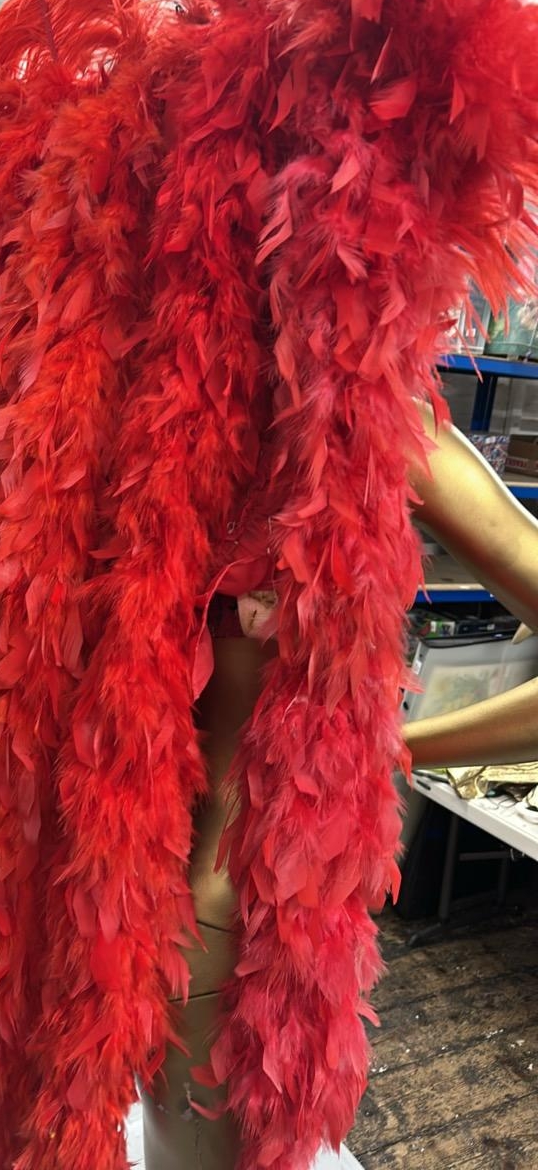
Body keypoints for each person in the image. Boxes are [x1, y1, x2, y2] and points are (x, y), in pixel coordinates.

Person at [142, 402, 538, 1169]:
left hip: (222, 903)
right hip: (126, 887)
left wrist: (396, 748)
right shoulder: (134, 400)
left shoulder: (366, 417)